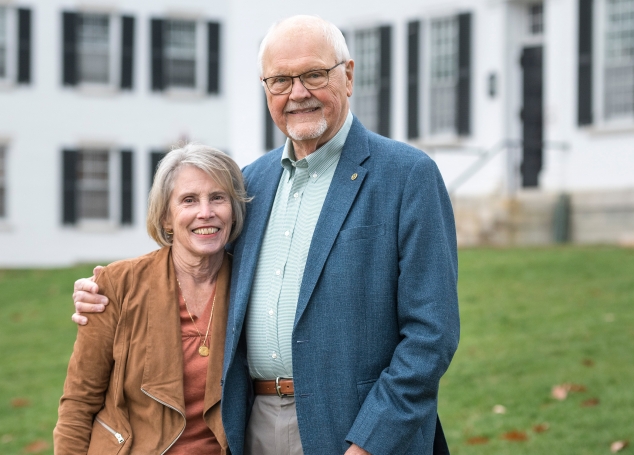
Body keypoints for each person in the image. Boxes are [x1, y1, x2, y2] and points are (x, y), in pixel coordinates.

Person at [72, 15, 459, 455]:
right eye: (279, 80)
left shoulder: (407, 176)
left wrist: (370, 442)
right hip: (251, 425)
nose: (297, 93)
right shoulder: (250, 184)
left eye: (314, 74)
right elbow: (198, 255)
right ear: (266, 89)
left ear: (348, 76)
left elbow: (432, 335)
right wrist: (109, 292)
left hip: (355, 426)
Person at [54, 143, 248, 454]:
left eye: (217, 198)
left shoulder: (249, 283)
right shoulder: (117, 285)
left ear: (233, 211)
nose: (205, 212)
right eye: (188, 200)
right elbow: (79, 403)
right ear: (166, 218)